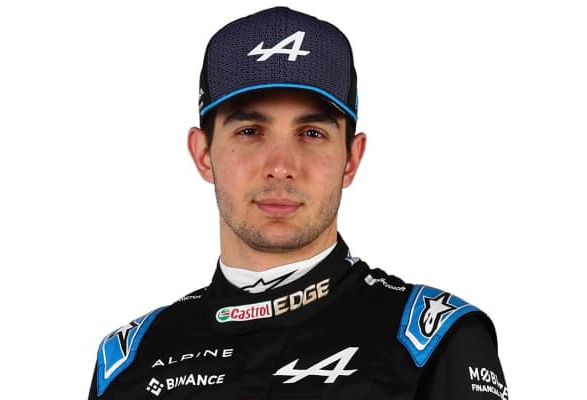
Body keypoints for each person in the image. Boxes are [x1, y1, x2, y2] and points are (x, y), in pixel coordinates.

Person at [88, 6, 507, 399]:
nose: (280, 167)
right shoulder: (128, 361)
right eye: (250, 132)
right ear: (203, 154)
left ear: (351, 159)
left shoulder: (432, 343)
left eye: (312, 134)